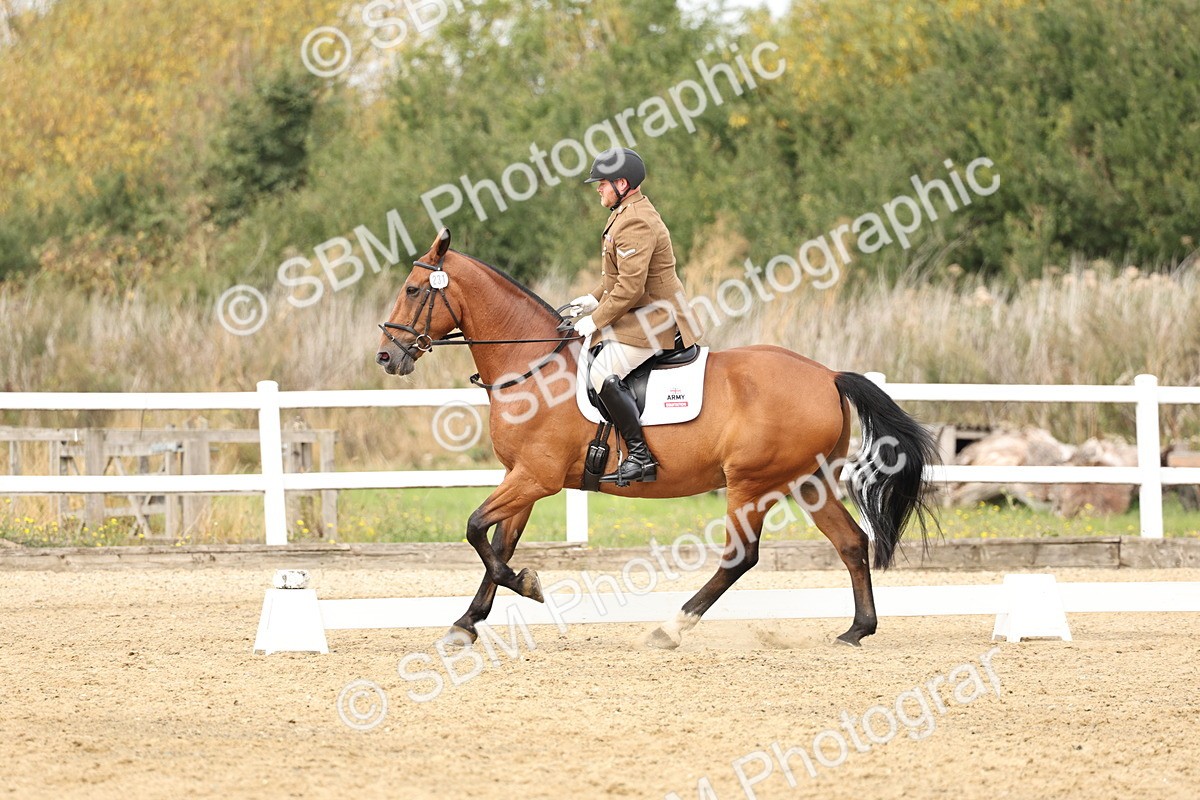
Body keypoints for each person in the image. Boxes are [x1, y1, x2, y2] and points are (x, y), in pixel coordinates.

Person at [568, 148, 704, 484]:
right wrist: (591, 299)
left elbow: (629, 289)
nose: (597, 188)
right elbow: (614, 280)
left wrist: (595, 321)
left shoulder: (636, 220)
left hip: (657, 321)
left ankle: (640, 456)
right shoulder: (624, 211)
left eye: (602, 183)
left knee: (601, 372)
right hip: (641, 314)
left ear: (622, 183)